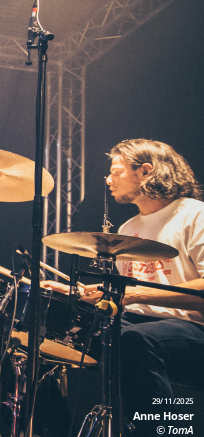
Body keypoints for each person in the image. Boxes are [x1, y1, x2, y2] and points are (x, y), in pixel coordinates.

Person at [93, 139, 204, 428]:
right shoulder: (127, 230)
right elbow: (125, 296)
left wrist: (134, 294)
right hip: (138, 325)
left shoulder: (194, 215)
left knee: (134, 339)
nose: (108, 179)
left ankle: (163, 429)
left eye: (115, 172)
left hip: (193, 329)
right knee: (85, 334)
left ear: (145, 171)